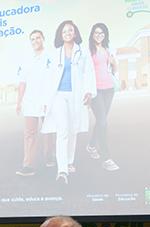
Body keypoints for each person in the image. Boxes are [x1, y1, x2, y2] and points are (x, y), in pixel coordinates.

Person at [42, 21, 96, 184]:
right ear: (60, 34)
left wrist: (89, 91)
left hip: (76, 95)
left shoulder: (82, 52)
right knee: (63, 130)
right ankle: (62, 170)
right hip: (58, 95)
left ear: (75, 33)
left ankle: (69, 161)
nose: (67, 32)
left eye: (70, 30)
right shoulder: (54, 53)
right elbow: (48, 78)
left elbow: (89, 72)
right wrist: (45, 99)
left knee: (73, 130)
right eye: (64, 30)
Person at [16, 30, 55, 177]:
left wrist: (50, 98)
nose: (35, 41)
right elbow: (22, 82)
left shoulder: (50, 57)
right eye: (32, 39)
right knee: (30, 134)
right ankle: (28, 165)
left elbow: (53, 79)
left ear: (43, 39)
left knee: (48, 130)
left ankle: (49, 156)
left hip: (47, 100)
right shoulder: (27, 60)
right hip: (30, 102)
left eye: (38, 38)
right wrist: (19, 102)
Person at [87, 23, 120, 171]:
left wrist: (114, 62)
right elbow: (85, 73)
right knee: (103, 122)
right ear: (92, 35)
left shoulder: (107, 49)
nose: (99, 35)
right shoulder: (88, 51)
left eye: (101, 33)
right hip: (95, 91)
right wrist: (86, 92)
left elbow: (114, 69)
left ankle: (91, 145)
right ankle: (106, 158)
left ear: (105, 35)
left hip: (109, 89)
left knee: (102, 121)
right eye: (96, 33)